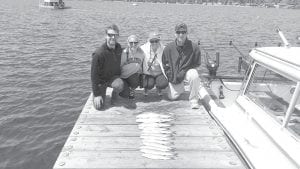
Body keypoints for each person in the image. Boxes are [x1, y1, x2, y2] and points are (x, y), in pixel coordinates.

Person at [162, 23, 202, 109]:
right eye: (178, 32)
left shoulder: (194, 47)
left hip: (187, 71)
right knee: (171, 97)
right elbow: (165, 65)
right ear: (175, 34)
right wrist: (171, 77)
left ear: (187, 33)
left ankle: (194, 99)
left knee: (194, 74)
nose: (181, 35)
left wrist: (185, 70)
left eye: (183, 32)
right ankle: (180, 86)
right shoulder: (168, 48)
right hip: (175, 75)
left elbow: (197, 63)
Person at [91, 24, 125, 110]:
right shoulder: (98, 54)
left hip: (113, 78)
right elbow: (94, 76)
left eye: (115, 35)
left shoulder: (119, 48)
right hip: (101, 81)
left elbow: (130, 51)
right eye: (110, 35)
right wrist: (97, 94)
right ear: (106, 36)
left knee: (120, 85)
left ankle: (114, 95)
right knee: (99, 107)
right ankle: (99, 94)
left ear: (118, 36)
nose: (113, 37)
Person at [140, 32, 168, 96]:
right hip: (148, 73)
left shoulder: (164, 49)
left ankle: (159, 87)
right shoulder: (143, 49)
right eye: (152, 41)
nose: (154, 43)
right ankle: (146, 88)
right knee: (148, 84)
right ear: (149, 41)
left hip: (159, 73)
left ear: (159, 41)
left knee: (163, 84)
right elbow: (133, 49)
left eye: (156, 41)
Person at [120, 35, 145, 99]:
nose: (133, 44)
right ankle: (123, 88)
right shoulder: (123, 53)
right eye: (131, 43)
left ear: (138, 43)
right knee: (124, 95)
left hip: (132, 76)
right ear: (128, 43)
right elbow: (119, 67)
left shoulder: (141, 53)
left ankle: (132, 89)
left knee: (136, 81)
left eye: (135, 42)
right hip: (122, 77)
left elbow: (141, 65)